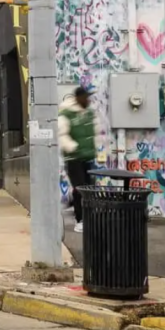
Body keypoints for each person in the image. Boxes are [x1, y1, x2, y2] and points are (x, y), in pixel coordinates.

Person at [57, 86, 98, 234]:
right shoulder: (67, 114)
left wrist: (97, 147)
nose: (88, 100)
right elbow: (62, 135)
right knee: (80, 188)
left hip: (89, 156)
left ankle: (78, 207)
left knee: (90, 188)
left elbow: (96, 132)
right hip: (74, 158)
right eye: (85, 97)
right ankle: (79, 220)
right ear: (78, 98)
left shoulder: (89, 113)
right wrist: (73, 147)